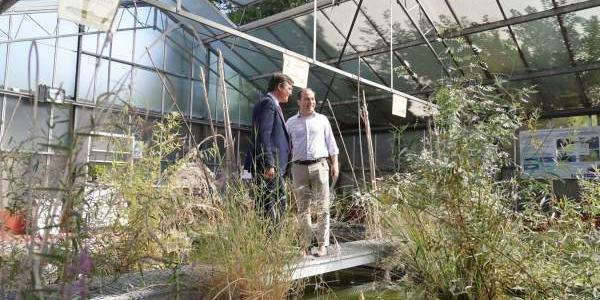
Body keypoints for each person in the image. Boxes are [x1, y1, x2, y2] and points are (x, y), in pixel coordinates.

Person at [286, 88, 339, 257]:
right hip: (299, 168)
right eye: (307, 99)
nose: (311, 102)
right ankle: (305, 245)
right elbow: (284, 144)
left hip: (320, 166)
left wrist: (335, 164)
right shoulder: (290, 122)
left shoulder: (322, 120)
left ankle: (323, 245)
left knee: (323, 207)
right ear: (299, 102)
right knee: (303, 209)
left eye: (313, 99)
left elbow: (331, 143)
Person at [244, 73, 293, 223]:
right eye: (289, 88)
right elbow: (263, 135)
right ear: (279, 87)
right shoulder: (268, 103)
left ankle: (274, 242)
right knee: (270, 206)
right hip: (270, 167)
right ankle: (270, 241)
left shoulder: (270, 104)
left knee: (277, 204)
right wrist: (269, 163)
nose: (291, 92)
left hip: (274, 166)